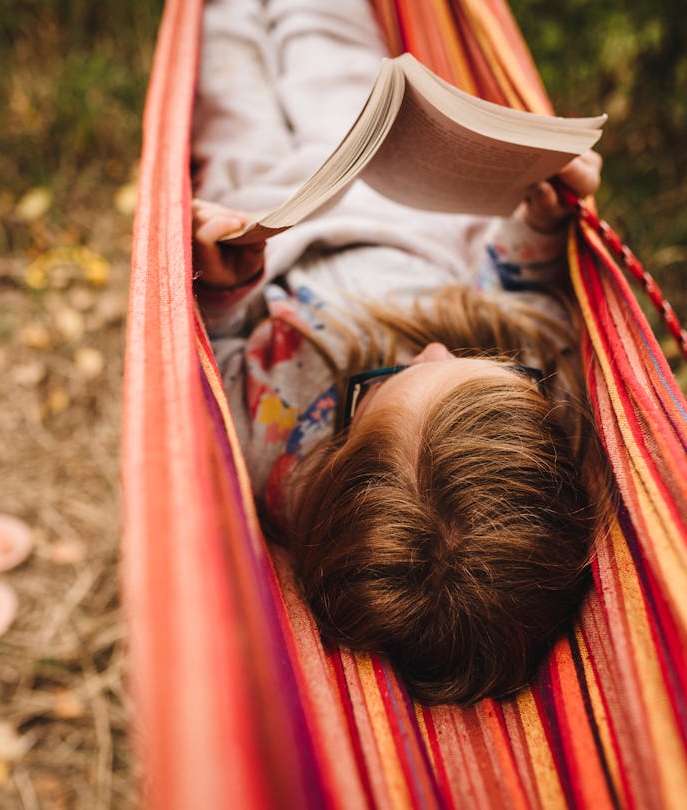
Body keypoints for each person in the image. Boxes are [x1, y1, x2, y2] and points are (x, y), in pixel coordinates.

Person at [191, 0, 607, 704]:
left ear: (341, 455)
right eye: (480, 366)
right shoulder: (544, 401)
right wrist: (538, 222)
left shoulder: (281, 466)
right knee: (329, 52)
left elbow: (218, 355)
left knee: (223, 66)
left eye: (383, 386)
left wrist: (224, 292)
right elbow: (521, 287)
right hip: (399, 196)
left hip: (260, 213)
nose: (437, 350)